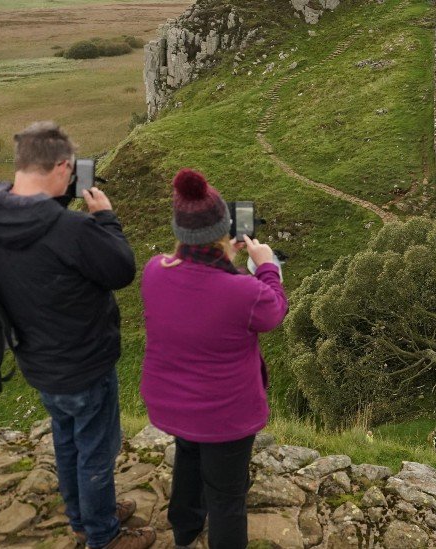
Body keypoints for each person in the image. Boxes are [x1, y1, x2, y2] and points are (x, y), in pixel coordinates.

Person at [0, 122, 149, 549]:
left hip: (35, 357)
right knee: (96, 451)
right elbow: (121, 270)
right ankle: (103, 535)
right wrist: (105, 218)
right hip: (84, 361)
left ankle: (82, 517)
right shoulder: (71, 230)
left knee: (67, 440)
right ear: (64, 167)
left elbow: (32, 232)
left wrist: (59, 202)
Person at [140, 168, 288, 549]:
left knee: (188, 462)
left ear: (181, 231)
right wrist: (267, 266)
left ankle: (185, 533)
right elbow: (274, 311)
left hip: (177, 406)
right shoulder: (244, 291)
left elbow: (197, 286)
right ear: (224, 229)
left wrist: (223, 254)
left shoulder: (154, 272)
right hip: (226, 417)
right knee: (226, 497)